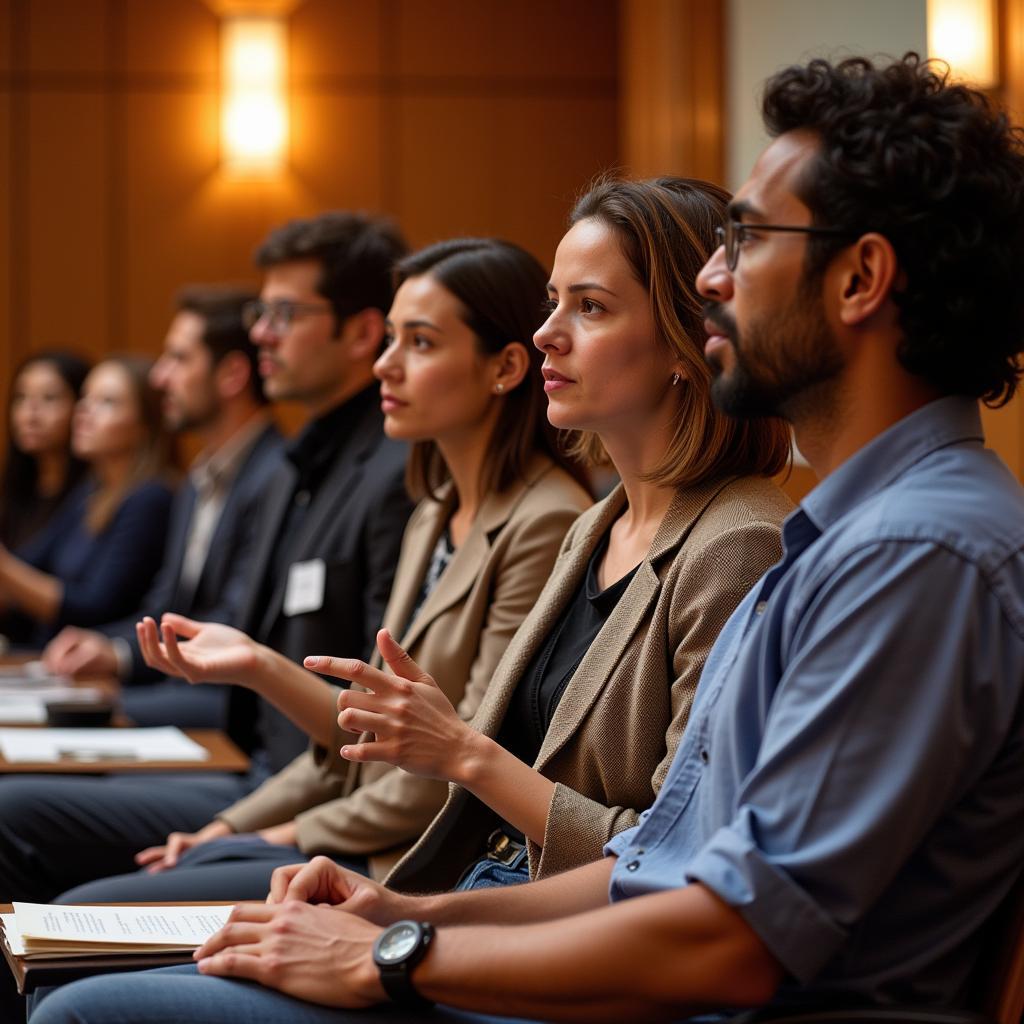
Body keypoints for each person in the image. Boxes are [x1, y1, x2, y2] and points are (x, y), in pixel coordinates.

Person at [29, 53, 1024, 1024]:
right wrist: (411, 913)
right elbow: (650, 868)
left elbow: (728, 940)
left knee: (84, 1002)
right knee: (82, 965)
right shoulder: (843, 534)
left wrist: (397, 955)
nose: (713, 278)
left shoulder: (912, 552)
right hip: (592, 953)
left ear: (859, 279)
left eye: (747, 239)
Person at [104, 176, 790, 906]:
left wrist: (407, 894)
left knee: (90, 987)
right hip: (466, 886)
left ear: (692, 340)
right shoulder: (597, 523)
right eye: (552, 302)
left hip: (533, 922)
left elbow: (671, 858)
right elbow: (411, 741)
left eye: (589, 307)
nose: (548, 332)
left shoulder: (732, 543)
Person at [57, 237, 593, 901]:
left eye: (419, 344)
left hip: (412, 865)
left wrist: (279, 835)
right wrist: (231, 825)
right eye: (390, 340)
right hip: (352, 829)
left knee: (86, 909)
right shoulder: (435, 511)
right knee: (108, 892)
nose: (385, 367)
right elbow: (362, 733)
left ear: (506, 367)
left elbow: (461, 770)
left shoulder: (544, 521)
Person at [0, 210, 414, 911]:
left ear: (361, 333)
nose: (261, 334)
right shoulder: (296, 464)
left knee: (26, 837)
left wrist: (239, 821)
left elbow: (374, 701)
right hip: (255, 763)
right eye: (260, 312)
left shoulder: (388, 472)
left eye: (283, 313)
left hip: (295, 782)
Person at [40, 285, 285, 729]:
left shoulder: (279, 475)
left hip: (237, 711)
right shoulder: (197, 481)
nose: (159, 377)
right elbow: (165, 606)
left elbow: (235, 624)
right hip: (181, 690)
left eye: (178, 359)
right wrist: (104, 645)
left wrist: (117, 666)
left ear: (231, 374)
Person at [0, 354, 175, 647]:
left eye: (107, 402)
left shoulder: (150, 498)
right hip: (51, 659)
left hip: (97, 665)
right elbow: (31, 563)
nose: (84, 412)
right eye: (84, 399)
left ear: (146, 423)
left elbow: (97, 607)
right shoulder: (92, 491)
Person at [0, 351, 90, 552]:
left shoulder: (92, 494)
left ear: (81, 407)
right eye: (20, 398)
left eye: (49, 398)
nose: (30, 414)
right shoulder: (14, 491)